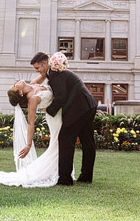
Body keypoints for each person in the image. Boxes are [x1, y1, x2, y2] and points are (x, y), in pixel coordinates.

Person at [0, 55, 72, 188]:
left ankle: (61, 172)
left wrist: (53, 62)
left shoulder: (33, 84)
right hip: (55, 119)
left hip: (62, 114)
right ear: (20, 93)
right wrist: (28, 145)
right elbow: (30, 123)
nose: (16, 82)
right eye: (14, 85)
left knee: (59, 145)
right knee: (58, 145)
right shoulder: (32, 99)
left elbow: (46, 73)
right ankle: (60, 174)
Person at [43, 51, 97, 185]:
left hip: (79, 109)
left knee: (65, 139)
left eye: (38, 68)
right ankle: (86, 177)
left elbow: (60, 97)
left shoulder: (56, 76)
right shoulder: (60, 74)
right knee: (88, 142)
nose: (37, 71)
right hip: (89, 105)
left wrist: (48, 110)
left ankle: (65, 179)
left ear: (46, 64)